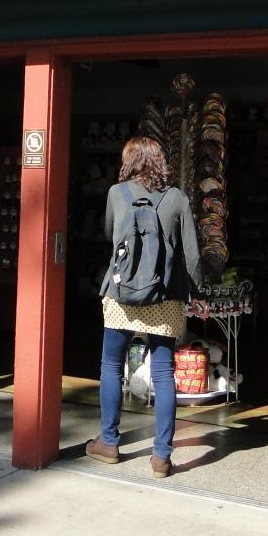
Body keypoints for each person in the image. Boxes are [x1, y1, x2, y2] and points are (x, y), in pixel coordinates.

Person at [84, 136, 203, 478]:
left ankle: (109, 443)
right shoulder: (177, 198)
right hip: (165, 295)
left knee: (111, 366)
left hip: (121, 294)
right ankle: (162, 457)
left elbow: (110, 235)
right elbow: (192, 255)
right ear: (160, 162)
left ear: (130, 161)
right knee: (164, 373)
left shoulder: (116, 193)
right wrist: (199, 293)